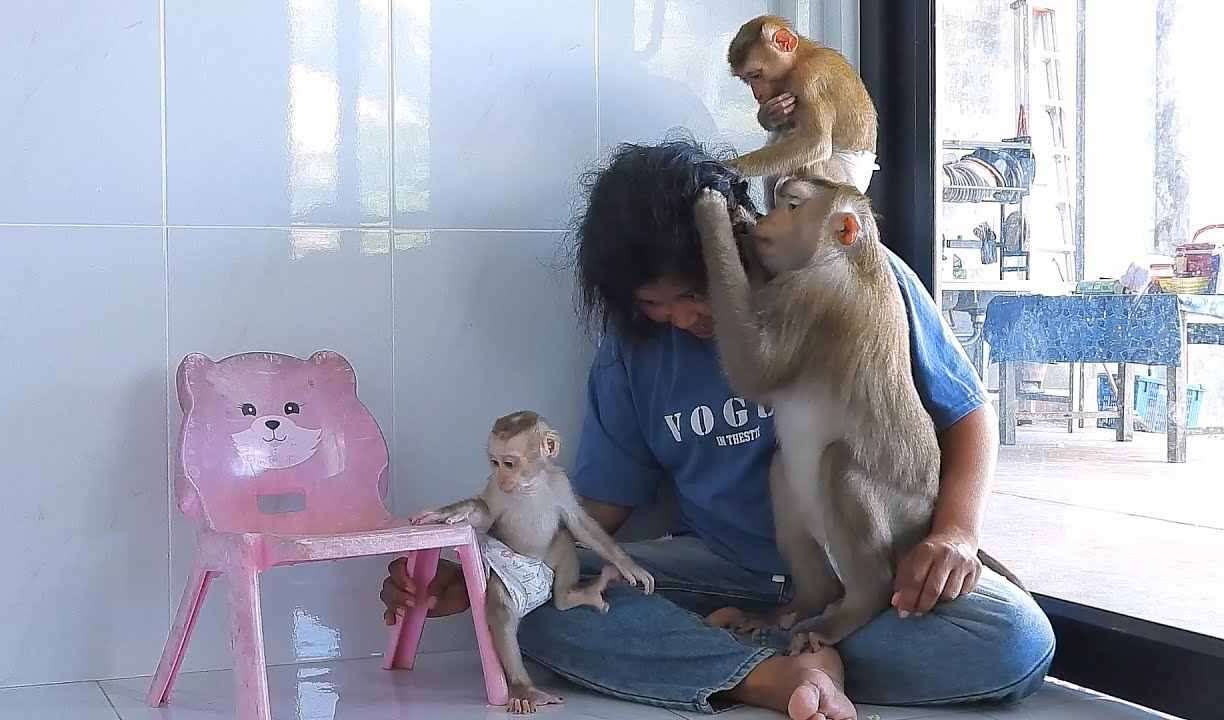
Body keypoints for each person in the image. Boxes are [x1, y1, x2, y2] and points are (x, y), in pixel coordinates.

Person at [380, 138, 1055, 720]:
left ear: (732, 242)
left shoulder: (853, 280)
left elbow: (966, 411)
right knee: (534, 605)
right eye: (655, 306)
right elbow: (601, 509)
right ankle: (777, 675)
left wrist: (955, 535)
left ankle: (752, 653)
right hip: (724, 571)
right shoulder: (632, 353)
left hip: (868, 567)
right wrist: (479, 573)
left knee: (1014, 642)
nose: (684, 319)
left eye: (694, 292)